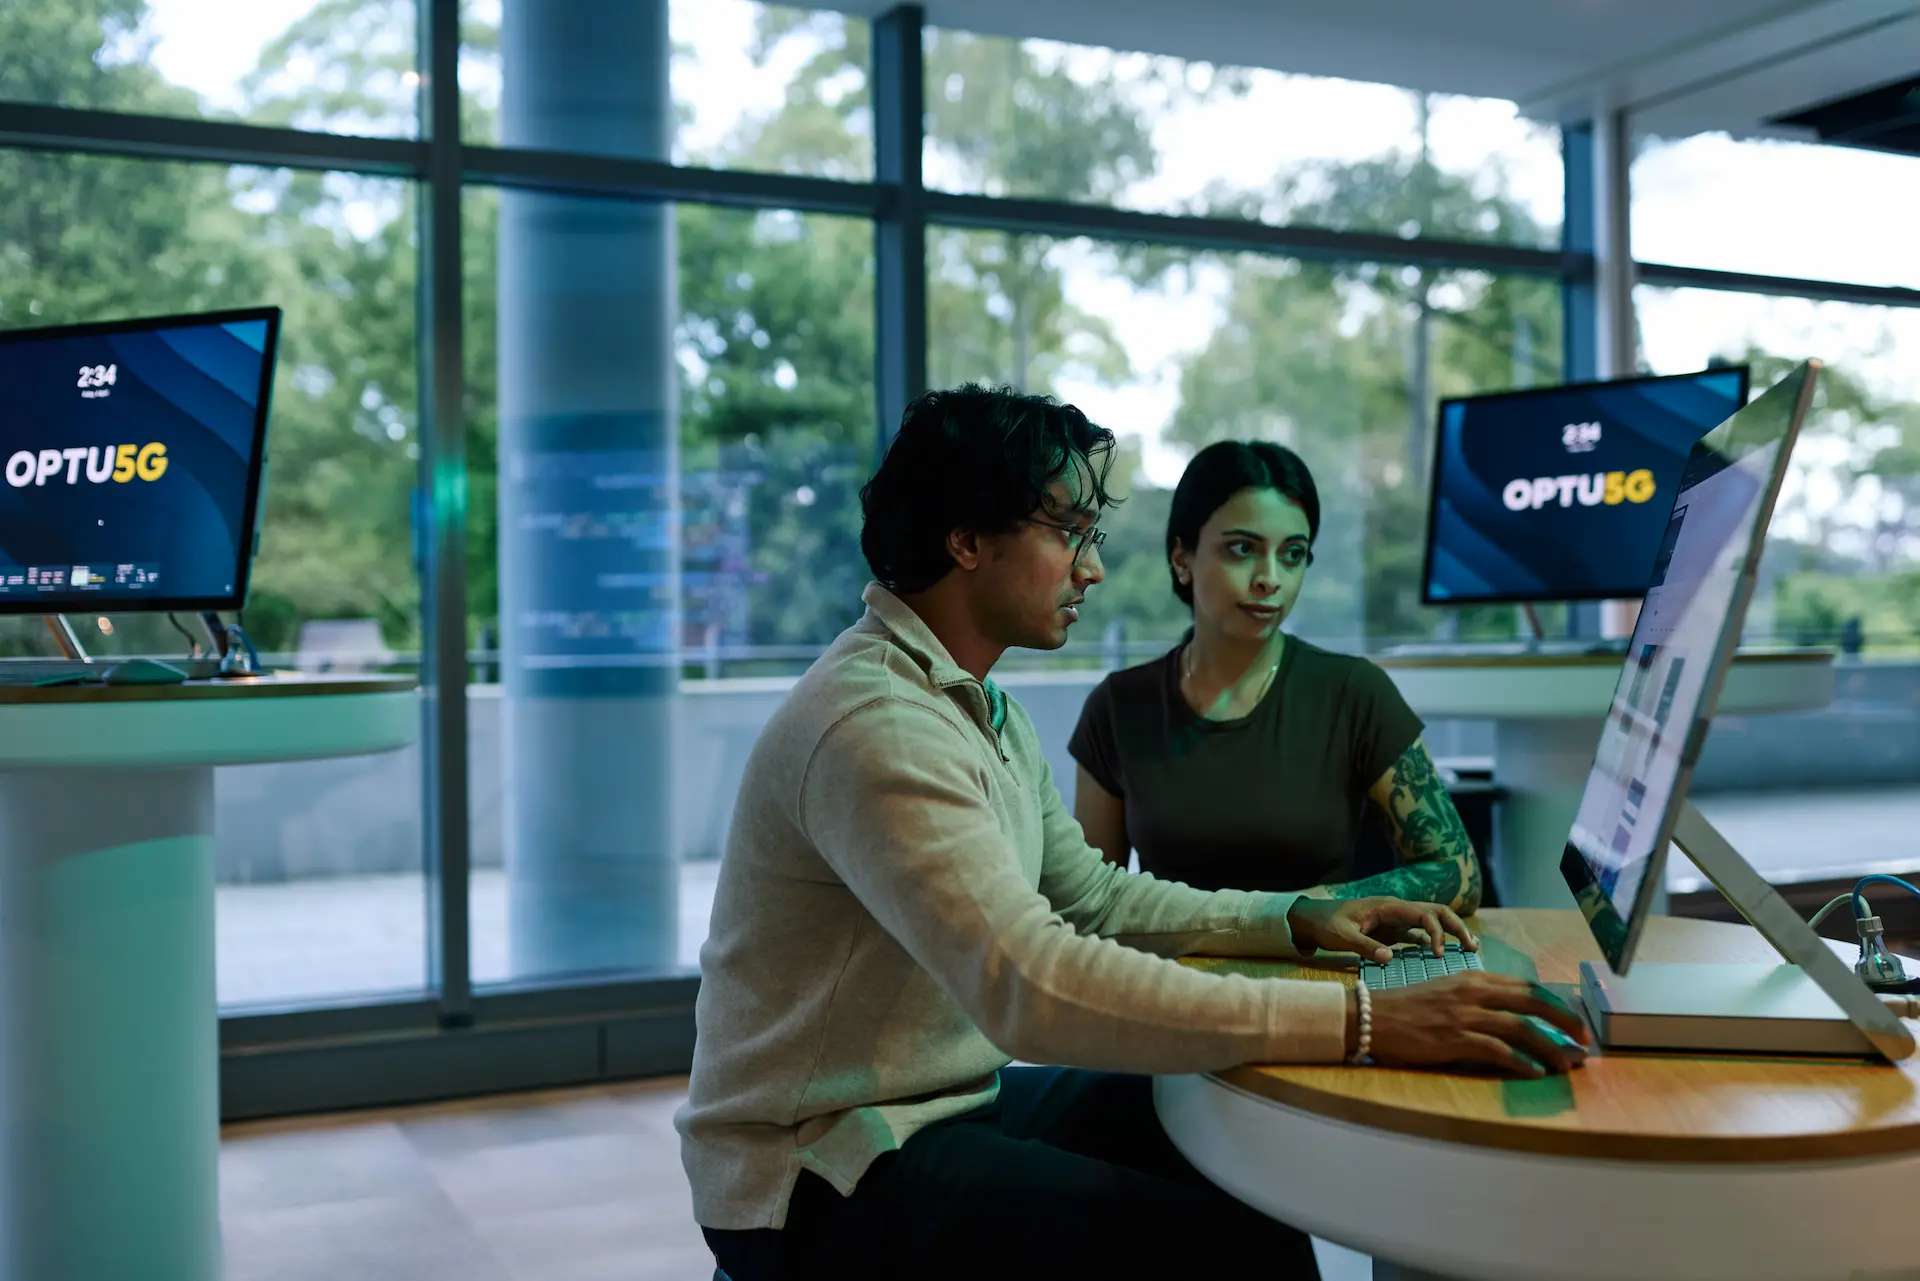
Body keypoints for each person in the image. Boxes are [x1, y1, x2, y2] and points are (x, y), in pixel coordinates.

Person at [676, 386, 1587, 1281]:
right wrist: (1365, 1020)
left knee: (1220, 1136)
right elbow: (1028, 982)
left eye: (1091, 536)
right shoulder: (877, 722)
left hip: (936, 1105)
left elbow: (1096, 895)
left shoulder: (979, 705)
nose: (1092, 568)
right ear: (965, 540)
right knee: (1229, 1247)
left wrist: (1292, 918)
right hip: (821, 1169)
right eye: (1066, 531)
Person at [1073, 440, 1482, 911]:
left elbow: (1459, 874)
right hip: (1178, 976)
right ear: (1182, 557)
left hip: (1323, 974)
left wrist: (1308, 908)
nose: (1270, 579)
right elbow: (1091, 901)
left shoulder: (1353, 693)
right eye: (1243, 549)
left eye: (1292, 554)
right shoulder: (1120, 708)